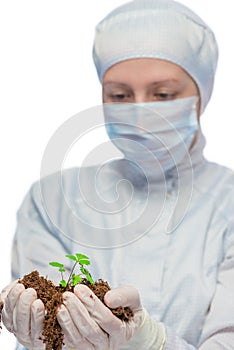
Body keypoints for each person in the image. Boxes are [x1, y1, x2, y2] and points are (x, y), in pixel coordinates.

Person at [1, 0, 234, 349]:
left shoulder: (227, 204)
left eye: (164, 94)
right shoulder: (52, 200)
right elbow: (50, 319)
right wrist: (40, 337)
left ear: (202, 95)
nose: (140, 113)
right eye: (120, 95)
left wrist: (150, 342)